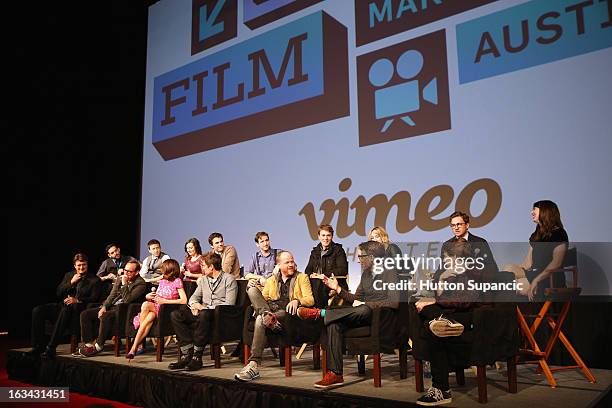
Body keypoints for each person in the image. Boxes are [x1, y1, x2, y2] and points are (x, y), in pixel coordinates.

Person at [296, 241, 399, 388]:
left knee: (364, 308)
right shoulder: (367, 275)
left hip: (381, 319)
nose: (358, 260)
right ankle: (335, 374)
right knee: (334, 323)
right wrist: (337, 288)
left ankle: (322, 313)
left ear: (372, 257)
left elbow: (394, 302)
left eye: (361, 256)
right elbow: (356, 299)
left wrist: (368, 304)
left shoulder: (390, 273)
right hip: (361, 315)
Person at [413, 239, 483, 406]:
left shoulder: (473, 272)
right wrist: (443, 280)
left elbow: (464, 302)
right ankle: (441, 321)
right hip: (448, 314)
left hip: (466, 317)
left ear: (457, 257)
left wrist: (436, 303)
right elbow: (441, 296)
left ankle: (441, 390)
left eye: (446, 257)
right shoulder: (447, 272)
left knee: (431, 322)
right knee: (423, 311)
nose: (444, 260)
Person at [234, 251, 314, 382]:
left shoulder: (302, 277)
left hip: (287, 312)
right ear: (279, 265)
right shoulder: (272, 280)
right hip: (272, 309)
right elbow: (263, 299)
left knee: (261, 318)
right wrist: (255, 289)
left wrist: (297, 301)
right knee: (251, 290)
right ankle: (269, 319)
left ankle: (253, 365)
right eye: (287, 262)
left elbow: (310, 300)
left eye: (292, 261)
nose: (291, 264)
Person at [168, 252, 237, 371]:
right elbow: (193, 298)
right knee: (176, 315)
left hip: (218, 316)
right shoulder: (204, 280)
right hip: (201, 312)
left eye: (204, 266)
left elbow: (229, 304)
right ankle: (187, 354)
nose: (202, 268)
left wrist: (205, 308)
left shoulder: (229, 279)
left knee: (205, 314)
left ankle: (197, 357)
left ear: (211, 267)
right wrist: (195, 305)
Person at [29, 253, 101, 359]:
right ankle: (38, 346)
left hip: (78, 310)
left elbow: (95, 298)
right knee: (37, 310)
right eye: (79, 265)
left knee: (67, 309)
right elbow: (58, 292)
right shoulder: (69, 275)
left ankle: (51, 347)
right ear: (75, 266)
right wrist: (71, 282)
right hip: (62, 306)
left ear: (87, 265)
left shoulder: (95, 280)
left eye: (84, 265)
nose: (81, 267)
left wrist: (77, 300)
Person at [78, 259, 147, 356]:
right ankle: (88, 345)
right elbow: (112, 295)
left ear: (136, 272)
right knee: (85, 314)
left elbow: (127, 300)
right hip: (113, 307)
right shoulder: (120, 278)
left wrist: (124, 284)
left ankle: (98, 346)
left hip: (125, 311)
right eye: (125, 270)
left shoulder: (141, 283)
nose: (126, 273)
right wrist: (104, 306)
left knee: (105, 316)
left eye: (129, 271)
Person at [505, 200, 569, 301]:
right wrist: (511, 273)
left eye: (534, 209)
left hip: (549, 278)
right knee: (508, 269)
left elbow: (556, 263)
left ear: (545, 212)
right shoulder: (536, 235)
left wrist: (536, 280)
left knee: (510, 286)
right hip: (534, 274)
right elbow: (527, 264)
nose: (531, 212)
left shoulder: (559, 233)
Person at [126, 259, 187, 359]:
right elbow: (157, 296)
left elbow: (184, 300)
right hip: (156, 308)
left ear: (170, 271)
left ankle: (138, 344)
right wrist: (149, 296)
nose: (162, 272)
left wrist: (164, 301)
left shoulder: (177, 281)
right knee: (149, 318)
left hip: (166, 311)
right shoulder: (162, 281)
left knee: (145, 305)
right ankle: (133, 349)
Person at [441, 211, 498, 278]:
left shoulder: (480, 242)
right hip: (453, 283)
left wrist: (468, 267)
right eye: (453, 225)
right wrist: (436, 280)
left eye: (459, 224)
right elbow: (441, 268)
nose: (456, 228)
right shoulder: (447, 244)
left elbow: (491, 267)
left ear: (467, 225)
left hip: (476, 283)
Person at [304, 224, 349, 304]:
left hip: (332, 282)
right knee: (303, 281)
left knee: (319, 282)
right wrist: (311, 274)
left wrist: (323, 275)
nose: (325, 238)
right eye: (323, 235)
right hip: (316, 281)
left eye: (328, 235)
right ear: (319, 236)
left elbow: (343, 270)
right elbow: (308, 269)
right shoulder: (315, 252)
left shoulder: (338, 250)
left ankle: (319, 311)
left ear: (332, 236)